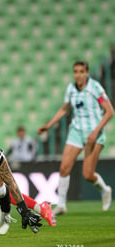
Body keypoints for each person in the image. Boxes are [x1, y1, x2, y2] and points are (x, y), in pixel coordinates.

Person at [38, 60, 114, 215]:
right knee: (64, 167)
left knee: (88, 174)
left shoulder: (95, 88)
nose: (78, 75)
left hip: (94, 134)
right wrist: (49, 125)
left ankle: (105, 190)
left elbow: (109, 111)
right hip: (77, 131)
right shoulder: (71, 89)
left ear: (87, 73)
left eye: (81, 71)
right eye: (75, 71)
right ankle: (61, 205)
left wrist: (95, 132)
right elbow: (64, 109)